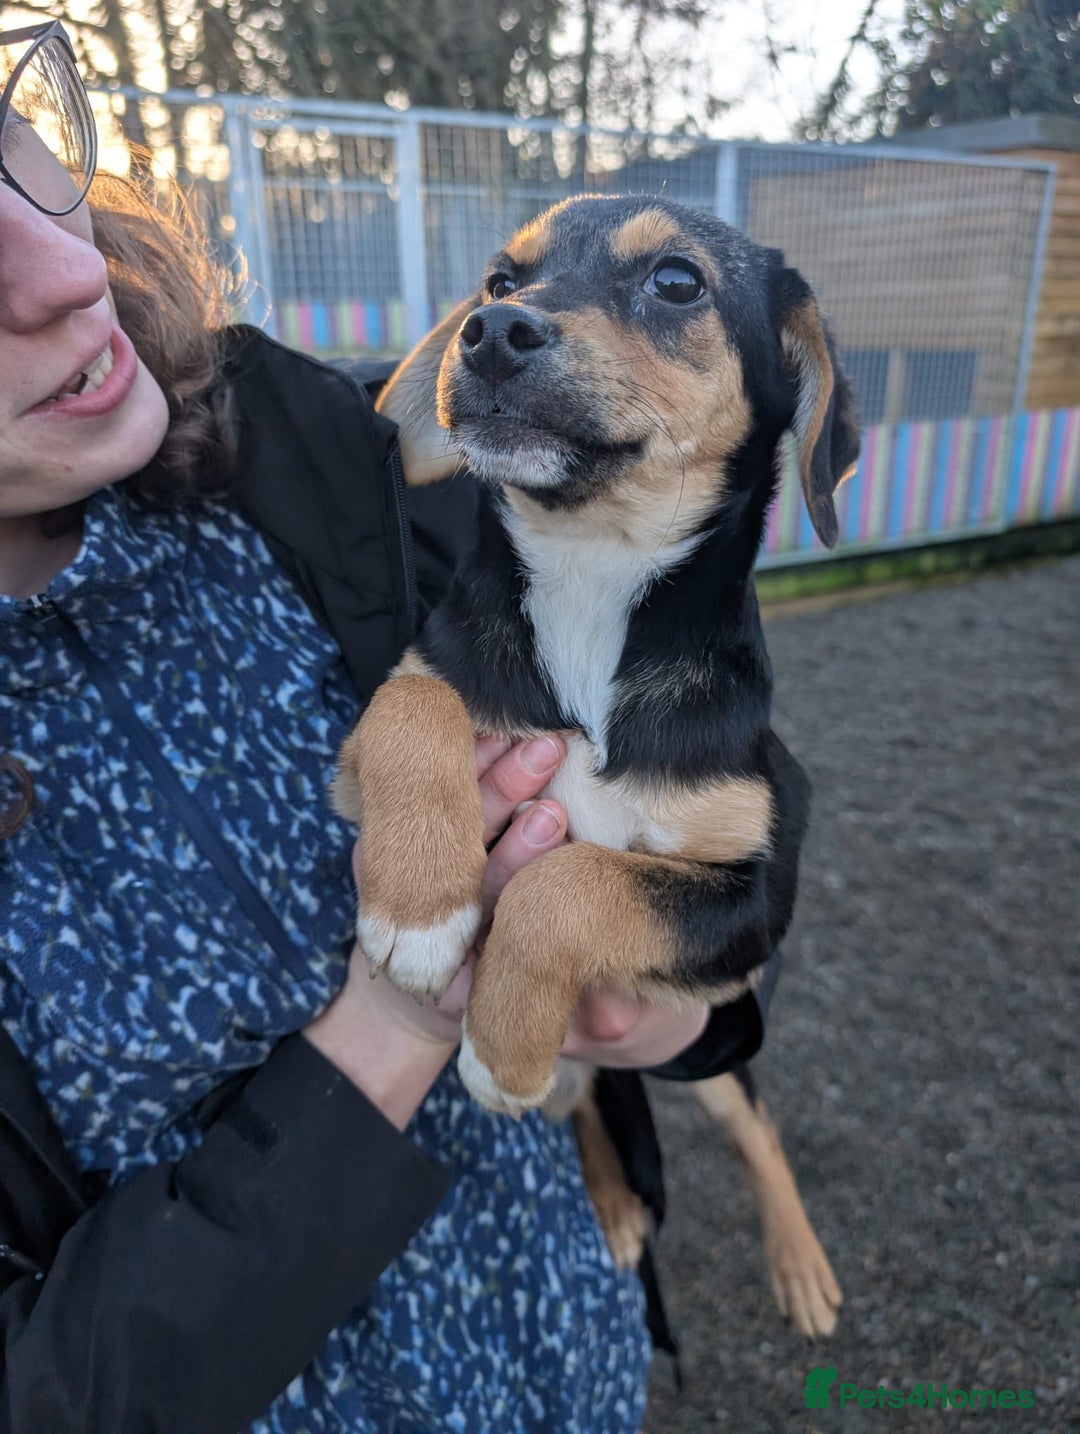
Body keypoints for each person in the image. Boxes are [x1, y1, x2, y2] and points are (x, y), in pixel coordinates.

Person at [0, 21, 775, 1433]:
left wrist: (653, 998)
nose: (67, 269)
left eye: (8, 141)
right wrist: (392, 1024)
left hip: (576, 1366)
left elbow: (726, 766)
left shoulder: (293, 440)